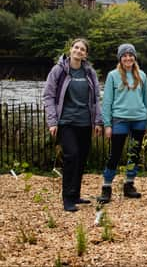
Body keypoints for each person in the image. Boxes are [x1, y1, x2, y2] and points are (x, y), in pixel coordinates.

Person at [43, 38, 103, 212]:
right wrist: (52, 121)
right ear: (70, 50)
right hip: (66, 122)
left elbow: (95, 100)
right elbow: (48, 96)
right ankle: (67, 198)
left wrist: (98, 121)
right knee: (71, 156)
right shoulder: (59, 70)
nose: (78, 51)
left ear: (85, 54)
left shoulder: (89, 72)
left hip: (85, 122)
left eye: (82, 49)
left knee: (82, 157)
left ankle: (76, 194)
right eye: (76, 47)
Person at [97, 43, 147, 203]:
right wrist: (107, 124)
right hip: (119, 120)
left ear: (134, 57)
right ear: (120, 58)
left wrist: (145, 115)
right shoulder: (113, 75)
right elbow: (106, 102)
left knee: (134, 153)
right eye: (124, 55)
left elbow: (145, 99)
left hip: (139, 120)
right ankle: (106, 186)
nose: (128, 58)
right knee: (115, 154)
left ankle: (129, 184)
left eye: (130, 55)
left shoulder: (142, 75)